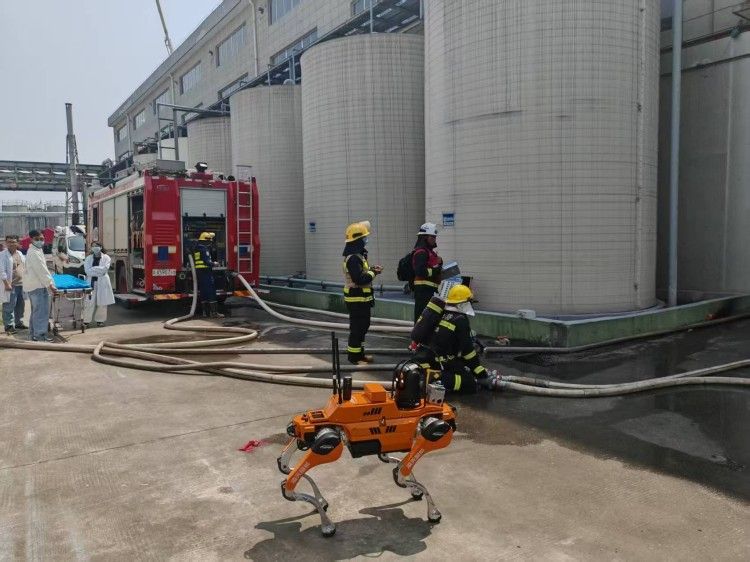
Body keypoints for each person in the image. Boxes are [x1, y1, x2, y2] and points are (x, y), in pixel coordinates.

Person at [413, 284, 500, 393]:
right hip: (437, 362)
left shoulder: (441, 313)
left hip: (423, 358)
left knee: (461, 368)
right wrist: (481, 373)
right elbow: (468, 352)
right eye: (470, 303)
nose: (471, 306)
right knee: (469, 383)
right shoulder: (460, 320)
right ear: (463, 303)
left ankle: (431, 377)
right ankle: (436, 380)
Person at [342, 221, 383, 365]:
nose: (366, 240)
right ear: (357, 240)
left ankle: (360, 355)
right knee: (357, 329)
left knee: (363, 327)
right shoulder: (353, 258)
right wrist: (374, 272)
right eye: (364, 238)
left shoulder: (358, 256)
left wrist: (371, 269)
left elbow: (361, 273)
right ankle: (354, 357)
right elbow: (359, 279)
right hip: (356, 300)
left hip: (361, 300)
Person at [23, 229, 57, 342]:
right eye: (37, 239)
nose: (40, 241)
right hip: (37, 286)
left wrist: (49, 282)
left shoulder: (37, 250)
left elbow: (43, 269)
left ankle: (33, 334)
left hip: (36, 285)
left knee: (36, 311)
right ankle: (40, 335)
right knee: (41, 312)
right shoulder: (33, 252)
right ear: (31, 239)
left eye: (41, 239)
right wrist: (50, 284)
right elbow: (41, 270)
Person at [411, 222, 442, 323]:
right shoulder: (421, 252)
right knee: (422, 318)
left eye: (435, 237)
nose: (434, 239)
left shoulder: (429, 252)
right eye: (432, 237)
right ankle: (418, 334)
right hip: (423, 291)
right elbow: (420, 271)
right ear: (425, 237)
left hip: (430, 290)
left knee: (429, 319)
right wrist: (437, 270)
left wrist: (439, 264)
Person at [191, 232, 224, 318]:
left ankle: (205, 313)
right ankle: (214, 313)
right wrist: (215, 263)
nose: (210, 243)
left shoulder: (196, 248)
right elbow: (206, 262)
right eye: (209, 241)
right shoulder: (204, 249)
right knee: (211, 291)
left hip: (200, 272)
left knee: (203, 292)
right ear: (206, 241)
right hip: (206, 272)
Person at [83, 242, 115, 327]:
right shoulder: (88, 258)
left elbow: (104, 270)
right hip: (91, 282)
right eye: (93, 246)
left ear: (101, 247)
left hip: (103, 282)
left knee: (102, 302)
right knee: (89, 302)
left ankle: (100, 320)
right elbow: (87, 271)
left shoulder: (106, 258)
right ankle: (86, 321)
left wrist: (93, 269)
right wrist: (98, 271)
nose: (95, 248)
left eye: (97, 246)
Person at [2, 235, 27, 334]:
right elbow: (2, 271)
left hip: (21, 284)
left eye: (13, 242)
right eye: (9, 242)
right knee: (9, 306)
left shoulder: (20, 253)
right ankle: (8, 325)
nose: (11, 244)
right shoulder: (3, 255)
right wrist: (6, 284)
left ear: (17, 243)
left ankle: (18, 323)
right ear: (6, 243)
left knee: (20, 305)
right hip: (11, 284)